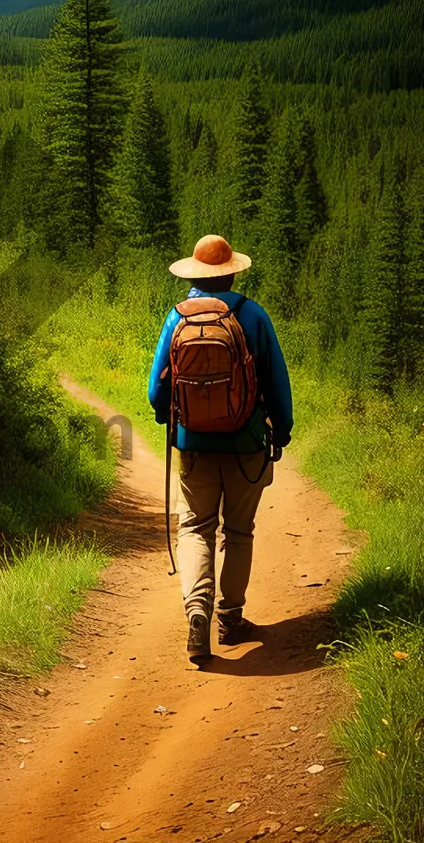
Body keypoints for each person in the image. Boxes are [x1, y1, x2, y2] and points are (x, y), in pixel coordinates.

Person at [148, 234, 293, 663]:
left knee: (195, 527)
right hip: (246, 443)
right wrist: (280, 431)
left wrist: (175, 421)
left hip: (192, 445)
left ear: (195, 274)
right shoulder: (252, 315)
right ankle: (230, 618)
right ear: (231, 271)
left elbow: (156, 392)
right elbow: (276, 382)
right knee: (238, 530)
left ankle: (197, 611)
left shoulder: (176, 319)